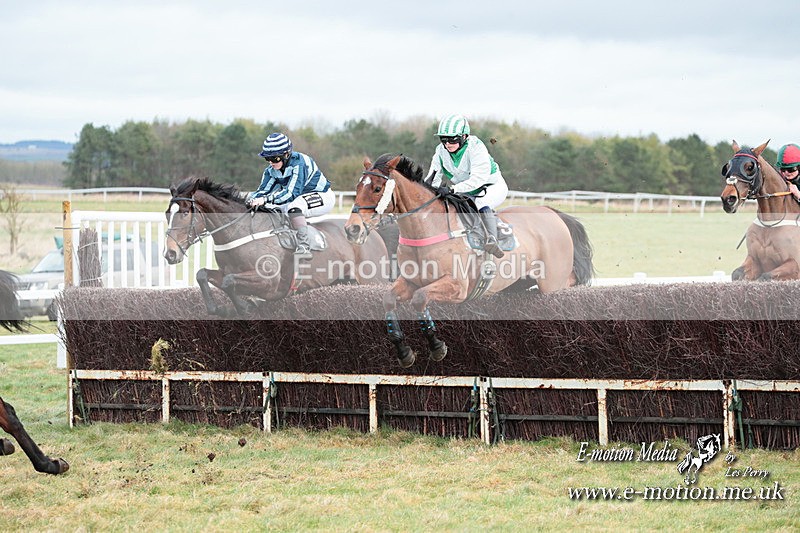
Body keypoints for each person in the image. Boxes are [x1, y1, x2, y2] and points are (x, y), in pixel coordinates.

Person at [426, 114, 509, 257]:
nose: (447, 144)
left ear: (464, 136)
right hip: (466, 190)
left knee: (480, 202)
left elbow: (478, 179)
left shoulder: (476, 147)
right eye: (443, 139)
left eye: (452, 139)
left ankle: (491, 239)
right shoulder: (440, 151)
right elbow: (433, 177)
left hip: (491, 186)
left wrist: (452, 189)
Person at [246, 133, 335, 255]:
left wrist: (265, 200)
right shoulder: (270, 171)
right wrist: (248, 200)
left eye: (275, 158)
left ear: (286, 154)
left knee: (293, 208)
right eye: (268, 159)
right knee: (270, 208)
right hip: (298, 197)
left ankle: (304, 246)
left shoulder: (299, 163)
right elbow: (262, 192)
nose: (271, 163)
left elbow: (291, 193)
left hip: (321, 195)